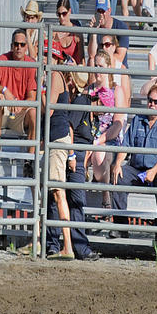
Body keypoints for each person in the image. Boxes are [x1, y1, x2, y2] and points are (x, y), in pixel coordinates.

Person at [110, 83, 157, 237]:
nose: (151, 104)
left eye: (156, 102)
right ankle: (121, 227)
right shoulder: (137, 120)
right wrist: (118, 163)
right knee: (118, 176)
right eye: (149, 100)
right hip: (136, 169)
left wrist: (153, 171)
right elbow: (125, 145)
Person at [45, 69, 98, 261]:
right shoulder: (78, 102)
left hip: (71, 151)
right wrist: (73, 155)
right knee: (66, 197)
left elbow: (69, 127)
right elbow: (70, 128)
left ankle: (59, 245)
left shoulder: (78, 102)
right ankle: (71, 246)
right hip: (73, 152)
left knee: (62, 197)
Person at [0, 30, 37, 173]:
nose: (18, 47)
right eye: (16, 44)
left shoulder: (31, 65)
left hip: (20, 113)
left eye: (22, 44)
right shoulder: (3, 59)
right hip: (3, 113)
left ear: (27, 47)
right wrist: (5, 91)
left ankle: (29, 160)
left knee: (34, 111)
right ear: (11, 45)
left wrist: (20, 105)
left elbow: (32, 97)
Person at [40, 51, 75, 260]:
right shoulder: (56, 75)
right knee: (51, 192)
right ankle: (41, 241)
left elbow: (49, 108)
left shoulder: (54, 76)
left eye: (47, 55)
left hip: (57, 138)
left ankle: (68, 246)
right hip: (55, 137)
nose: (44, 59)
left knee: (58, 192)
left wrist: (37, 91)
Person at [87, 51, 118, 206]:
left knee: (99, 153)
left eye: (101, 66)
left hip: (109, 139)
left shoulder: (116, 90)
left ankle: (106, 196)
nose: (98, 70)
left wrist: (99, 140)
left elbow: (118, 125)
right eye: (95, 66)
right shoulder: (88, 90)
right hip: (90, 136)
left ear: (108, 67)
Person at [86, 0, 129, 67]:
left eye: (103, 11)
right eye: (98, 11)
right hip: (99, 68)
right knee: (90, 61)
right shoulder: (94, 27)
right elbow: (91, 55)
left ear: (109, 11)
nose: (101, 14)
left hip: (116, 68)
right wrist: (94, 33)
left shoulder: (121, 27)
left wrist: (102, 60)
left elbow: (120, 57)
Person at [50, 0, 85, 66]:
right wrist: (55, 42)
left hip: (73, 70)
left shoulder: (77, 34)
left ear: (70, 11)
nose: (61, 17)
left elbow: (81, 62)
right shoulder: (54, 33)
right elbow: (51, 59)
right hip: (58, 71)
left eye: (64, 13)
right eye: (59, 14)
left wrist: (74, 65)